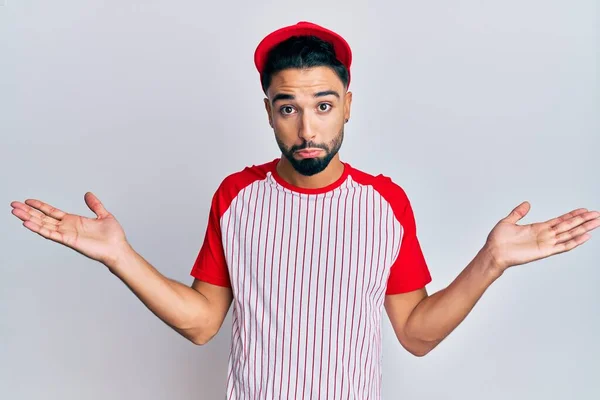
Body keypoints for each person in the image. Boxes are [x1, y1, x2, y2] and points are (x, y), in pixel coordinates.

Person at [9, 21, 600, 399]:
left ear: (347, 106)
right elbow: (201, 322)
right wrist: (119, 255)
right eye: (288, 107)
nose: (307, 126)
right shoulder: (236, 197)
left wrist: (490, 261)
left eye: (323, 104)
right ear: (268, 111)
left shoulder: (385, 203)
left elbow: (416, 334)